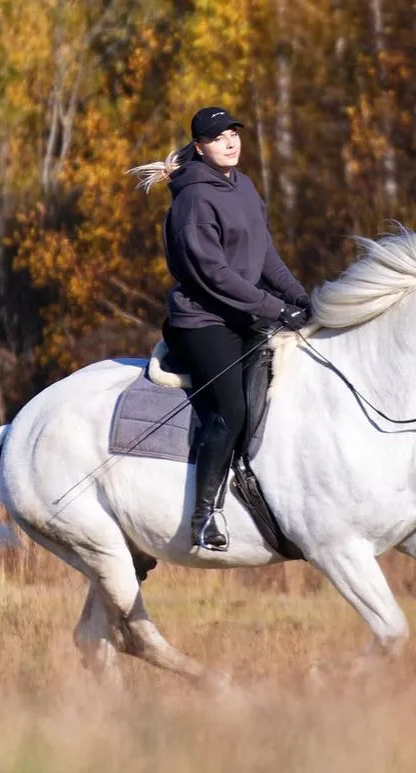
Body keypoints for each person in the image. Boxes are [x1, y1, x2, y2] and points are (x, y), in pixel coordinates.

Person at [128, 106, 311, 552]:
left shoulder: (243, 186)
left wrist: (301, 298)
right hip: (203, 321)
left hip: (245, 312)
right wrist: (272, 307)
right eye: (218, 138)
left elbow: (265, 254)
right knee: (230, 408)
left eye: (234, 133)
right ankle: (204, 514)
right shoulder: (192, 201)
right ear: (199, 148)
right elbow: (214, 275)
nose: (230, 143)